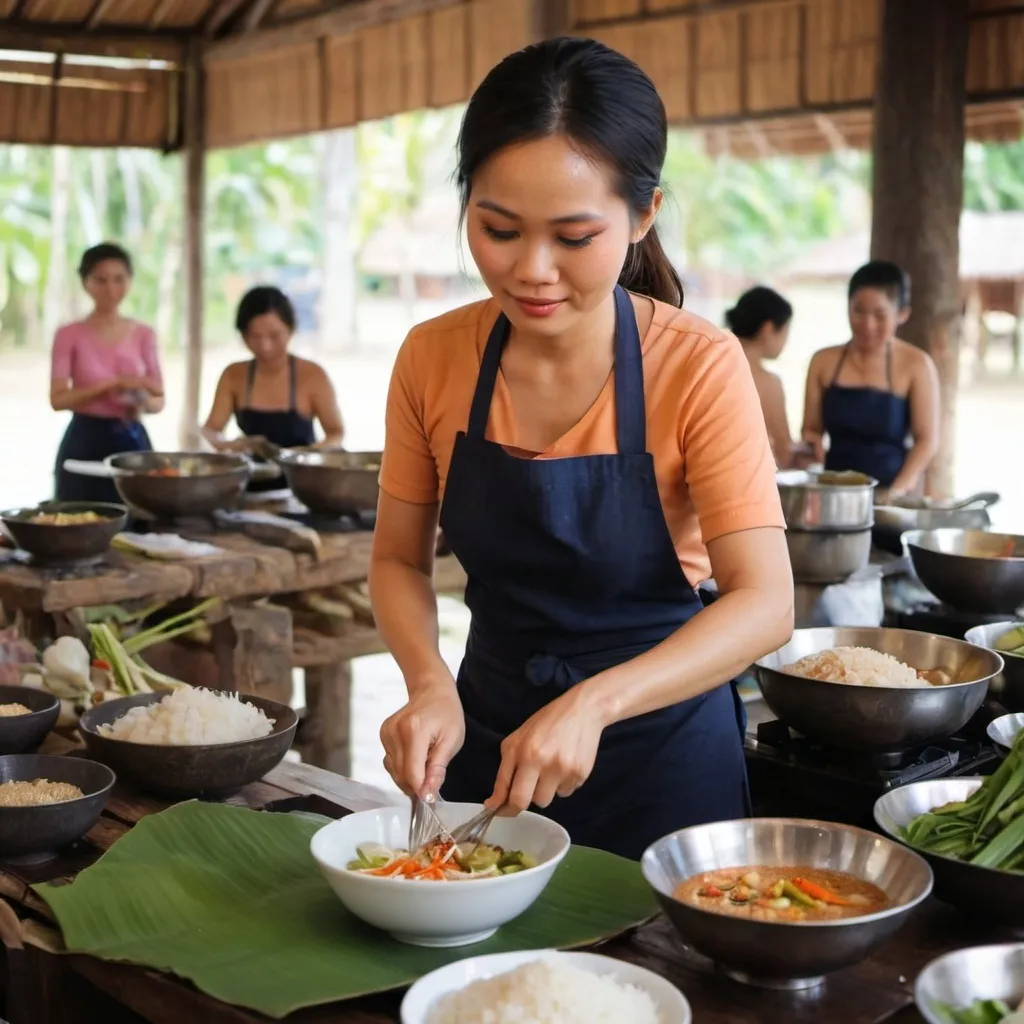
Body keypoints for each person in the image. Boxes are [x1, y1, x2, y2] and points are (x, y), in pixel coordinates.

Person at [369, 38, 794, 860]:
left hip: (662, 753)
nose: (531, 270)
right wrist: (428, 683)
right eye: (498, 229)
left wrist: (596, 704)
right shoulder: (432, 357)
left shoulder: (699, 364)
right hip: (486, 742)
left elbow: (765, 604)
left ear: (642, 215)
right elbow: (396, 560)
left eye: (573, 237)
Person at [801, 260, 940, 498]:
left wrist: (897, 491)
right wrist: (810, 443)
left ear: (902, 314)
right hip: (834, 494)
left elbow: (926, 440)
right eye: (858, 311)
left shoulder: (916, 364)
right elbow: (811, 429)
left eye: (879, 315)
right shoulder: (822, 361)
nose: (867, 324)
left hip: (892, 494)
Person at [51, 243, 164, 505]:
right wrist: (111, 384)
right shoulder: (69, 334)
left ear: (129, 281)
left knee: (138, 522)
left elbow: (158, 400)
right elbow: (57, 400)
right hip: (84, 440)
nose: (110, 289)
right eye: (100, 280)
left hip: (132, 441)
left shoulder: (144, 334)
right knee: (77, 520)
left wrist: (140, 398)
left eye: (118, 279)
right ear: (85, 282)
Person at [201, 286, 344, 489]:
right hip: (249, 482)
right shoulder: (233, 375)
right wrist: (232, 446)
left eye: (275, 336)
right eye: (255, 336)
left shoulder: (312, 375)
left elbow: (336, 433)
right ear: (242, 335)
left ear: (291, 330)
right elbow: (210, 430)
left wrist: (305, 454)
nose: (265, 346)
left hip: (302, 483)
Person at [726, 286, 798, 468]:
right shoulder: (769, 383)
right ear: (768, 329)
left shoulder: (708, 365)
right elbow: (783, 448)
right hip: (746, 481)